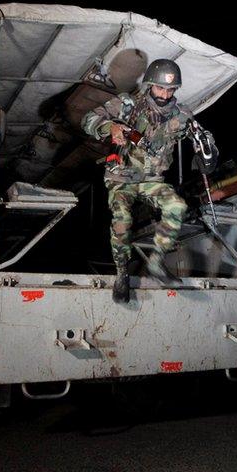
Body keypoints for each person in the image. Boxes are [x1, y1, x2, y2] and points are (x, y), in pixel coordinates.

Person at [82, 59, 199, 303]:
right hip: (122, 176)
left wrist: (205, 148)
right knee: (122, 219)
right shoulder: (128, 104)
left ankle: (157, 262)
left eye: (170, 90)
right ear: (150, 85)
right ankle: (122, 273)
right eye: (160, 88)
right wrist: (110, 126)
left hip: (151, 179)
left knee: (176, 206)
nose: (165, 95)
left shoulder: (182, 114)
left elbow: (201, 143)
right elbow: (88, 120)